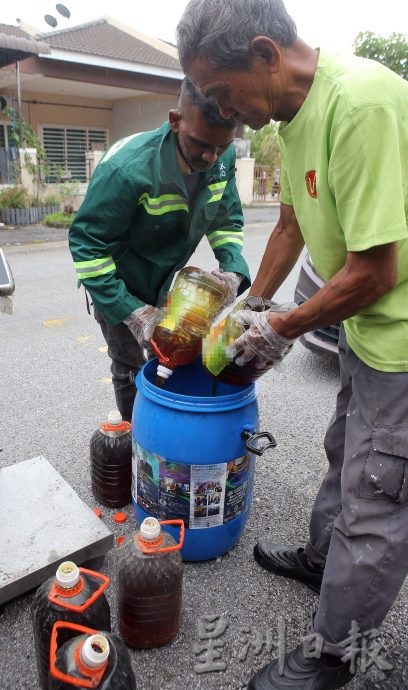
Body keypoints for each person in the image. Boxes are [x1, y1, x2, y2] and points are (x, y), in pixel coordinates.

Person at [177, 1, 408, 688]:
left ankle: (337, 659)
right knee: (346, 447)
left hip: (402, 339)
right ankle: (321, 559)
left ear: (265, 56)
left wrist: (282, 328)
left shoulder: (362, 105)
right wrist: (249, 307)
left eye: (222, 92)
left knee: (378, 492)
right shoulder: (292, 118)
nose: (225, 110)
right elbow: (288, 227)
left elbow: (375, 271)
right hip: (370, 331)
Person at [69, 78, 250, 421]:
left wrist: (232, 271)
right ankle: (138, 444)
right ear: (175, 120)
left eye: (221, 146)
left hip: (165, 283)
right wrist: (133, 312)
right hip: (117, 285)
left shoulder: (219, 160)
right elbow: (86, 246)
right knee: (129, 365)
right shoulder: (126, 169)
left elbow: (226, 221)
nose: (210, 157)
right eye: (200, 144)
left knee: (167, 355)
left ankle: (163, 426)